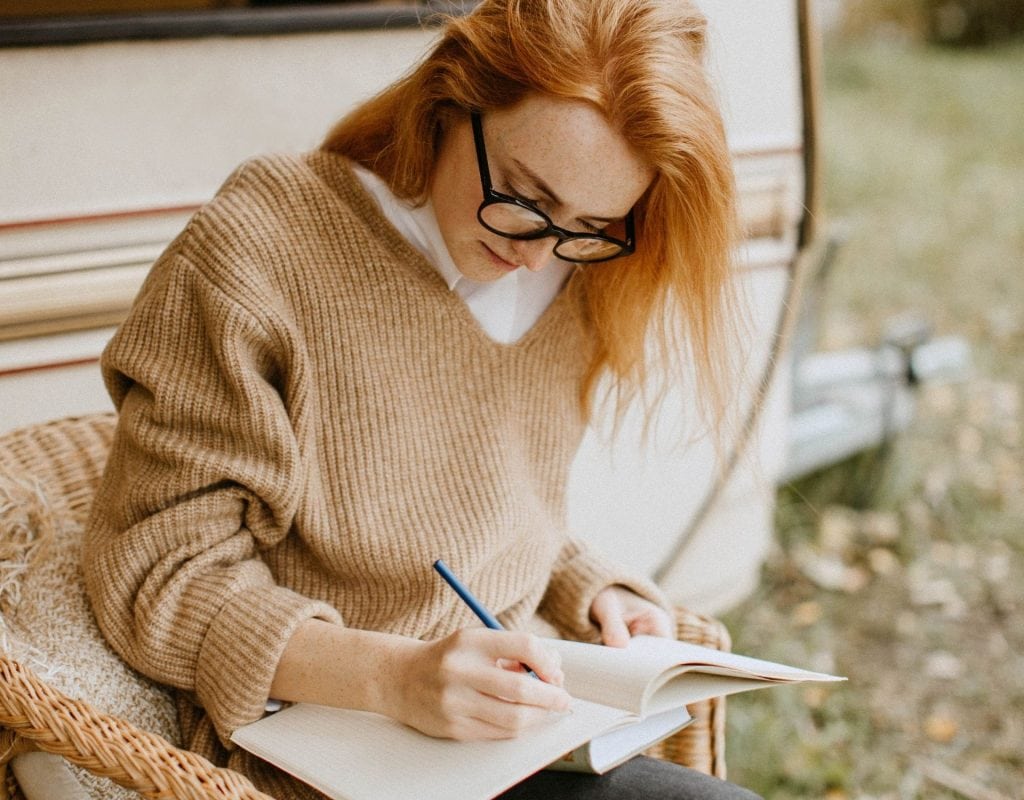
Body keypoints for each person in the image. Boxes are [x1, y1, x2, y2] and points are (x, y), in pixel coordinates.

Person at [83, 0, 757, 797]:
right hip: (318, 756)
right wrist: (395, 679)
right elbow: (158, 573)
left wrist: (590, 589)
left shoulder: (576, 276)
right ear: (449, 99)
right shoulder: (266, 245)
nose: (537, 257)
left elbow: (472, 505)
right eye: (523, 194)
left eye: (589, 225)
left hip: (508, 741)